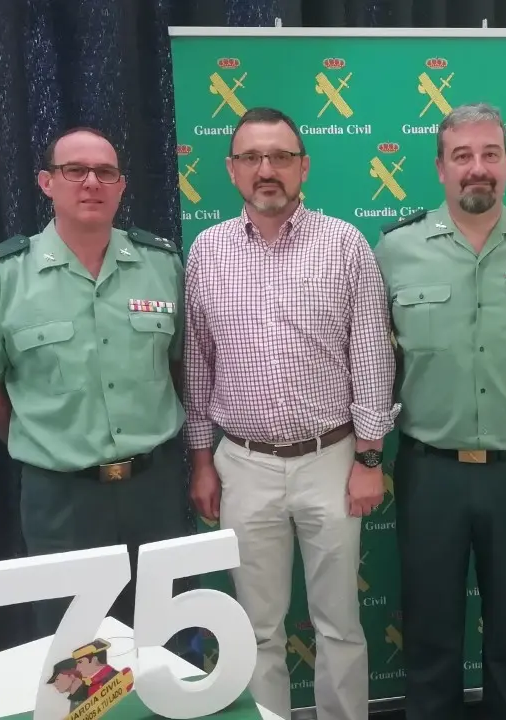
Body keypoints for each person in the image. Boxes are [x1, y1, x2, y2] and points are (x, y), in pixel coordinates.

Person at [373, 102, 506, 720]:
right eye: (462, 155)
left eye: (490, 154)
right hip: (430, 470)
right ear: (440, 167)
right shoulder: (396, 249)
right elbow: (376, 348)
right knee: (429, 623)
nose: (477, 167)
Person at [183, 106, 396, 720]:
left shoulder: (345, 245)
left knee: (339, 624)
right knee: (254, 630)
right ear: (231, 170)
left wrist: (369, 459)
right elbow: (196, 367)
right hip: (242, 465)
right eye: (252, 157)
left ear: (304, 166)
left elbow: (371, 356)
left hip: (333, 459)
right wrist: (201, 461)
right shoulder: (207, 252)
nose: (266, 169)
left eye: (280, 156)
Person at [0, 127, 191, 636]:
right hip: (61, 501)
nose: (91, 183)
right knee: (75, 656)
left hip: (155, 491)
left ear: (121, 185)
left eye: (105, 172)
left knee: (165, 641)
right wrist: (45, 438)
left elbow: (179, 367)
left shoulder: (162, 265)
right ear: (46, 182)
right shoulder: (2, 276)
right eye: (74, 170)